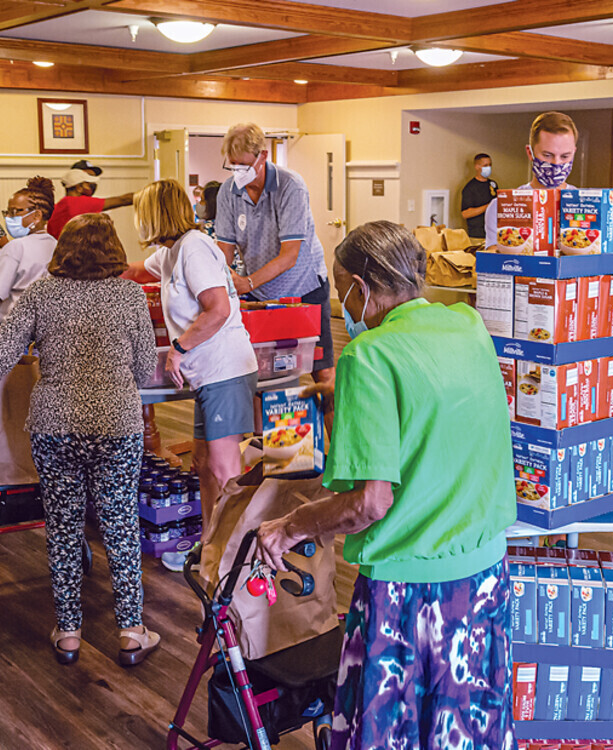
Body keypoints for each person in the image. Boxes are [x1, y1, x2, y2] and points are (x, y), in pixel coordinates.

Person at [255, 221, 516, 750]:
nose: (342, 302)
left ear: (358, 286)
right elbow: (433, 413)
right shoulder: (467, 325)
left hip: (409, 590)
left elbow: (370, 503)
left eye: (339, 287)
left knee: (392, 732)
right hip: (484, 571)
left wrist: (289, 527)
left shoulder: (367, 356)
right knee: (466, 728)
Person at [0, 213, 160, 667]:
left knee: (64, 527)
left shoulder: (42, 293)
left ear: (62, 250)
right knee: (120, 525)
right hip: (116, 424)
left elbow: (1, 349)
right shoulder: (129, 295)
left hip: (55, 425)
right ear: (112, 249)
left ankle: (68, 631)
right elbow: (145, 367)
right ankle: (131, 631)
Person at [135, 180, 258, 572]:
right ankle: (210, 545)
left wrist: (180, 348)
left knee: (223, 469)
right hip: (207, 375)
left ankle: (237, 554)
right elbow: (136, 271)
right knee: (204, 462)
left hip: (225, 369)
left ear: (156, 213)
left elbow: (218, 308)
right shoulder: (170, 251)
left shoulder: (194, 247)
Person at [215, 123, 335, 392]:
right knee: (263, 368)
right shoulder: (228, 192)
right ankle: (265, 432)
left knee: (322, 369)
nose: (238, 172)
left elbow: (290, 255)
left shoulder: (291, 186)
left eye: (244, 165)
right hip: (260, 291)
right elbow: (225, 249)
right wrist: (226, 279)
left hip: (304, 286)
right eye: (232, 165)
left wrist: (248, 282)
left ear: (263, 156)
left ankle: (337, 431)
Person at [484, 112, 579, 249]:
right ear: (530, 153)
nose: (556, 163)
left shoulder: (584, 204)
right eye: (547, 155)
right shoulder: (502, 206)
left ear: (574, 153)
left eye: (565, 156)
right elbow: (493, 262)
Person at [0, 177, 57, 335]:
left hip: (10, 330)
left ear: (37, 215)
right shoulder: (56, 245)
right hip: (43, 330)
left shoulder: (16, 247)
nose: (9, 217)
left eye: (16, 211)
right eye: (8, 212)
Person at [47, 169, 134, 239]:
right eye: (88, 184)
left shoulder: (59, 205)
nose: (91, 187)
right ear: (78, 188)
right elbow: (123, 200)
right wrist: (145, 194)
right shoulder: (79, 203)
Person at [460, 152, 497, 245]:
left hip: (493, 233)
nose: (488, 168)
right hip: (477, 236)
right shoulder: (470, 188)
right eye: (485, 165)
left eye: (490, 165)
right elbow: (465, 213)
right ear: (477, 167)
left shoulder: (493, 184)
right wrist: (488, 206)